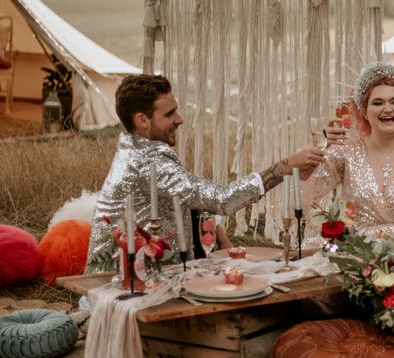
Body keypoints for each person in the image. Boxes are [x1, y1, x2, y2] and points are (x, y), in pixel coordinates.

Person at [86, 74, 324, 270]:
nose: (179, 120)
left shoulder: (135, 148)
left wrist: (221, 238)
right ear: (142, 120)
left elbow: (192, 199)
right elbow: (221, 199)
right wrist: (285, 166)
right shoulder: (148, 161)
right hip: (128, 283)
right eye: (169, 114)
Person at [313, 61, 394, 239]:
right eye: (378, 103)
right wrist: (322, 146)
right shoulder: (346, 153)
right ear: (364, 112)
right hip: (356, 256)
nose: (387, 109)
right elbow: (305, 196)